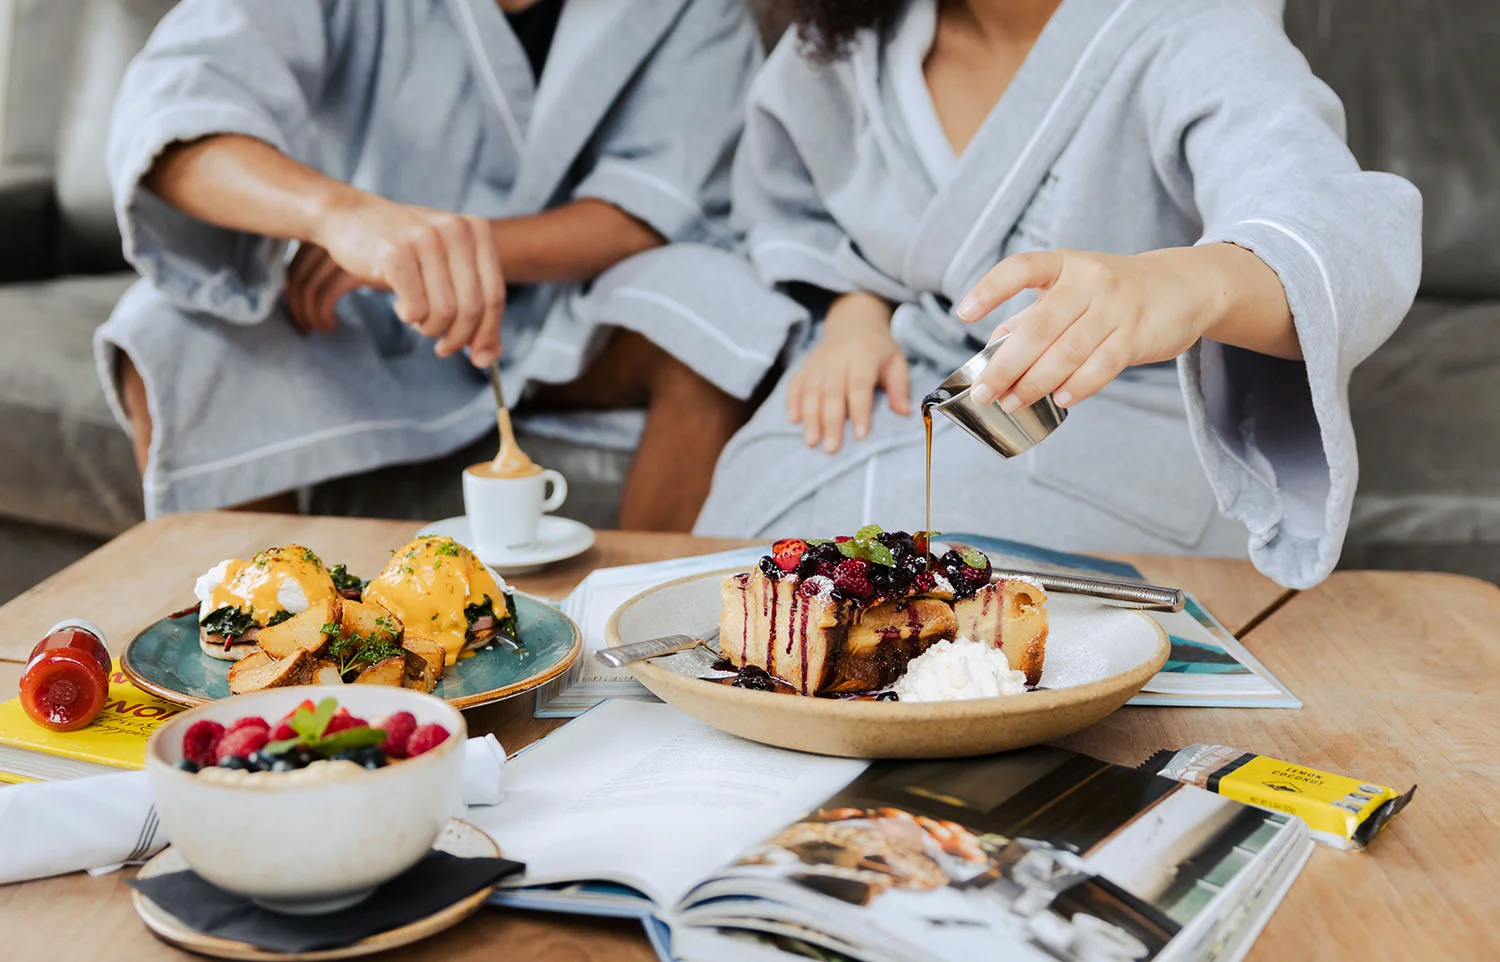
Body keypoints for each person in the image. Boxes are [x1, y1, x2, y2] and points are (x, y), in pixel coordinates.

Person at [692, 0, 1422, 588]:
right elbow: (795, 208)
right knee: (732, 569)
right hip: (880, 392)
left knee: (946, 603)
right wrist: (854, 311)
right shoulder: (849, 39)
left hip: (1107, 425)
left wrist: (1186, 283)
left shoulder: (1195, 26)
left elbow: (1328, 223)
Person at [95, 0, 798, 530]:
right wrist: (343, 216)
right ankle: (266, 659)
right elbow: (175, 118)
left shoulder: (697, 11)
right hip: (369, 308)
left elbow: (652, 210)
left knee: (724, 308)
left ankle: (650, 655)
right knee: (168, 330)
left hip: (587, 309)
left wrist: (446, 247)